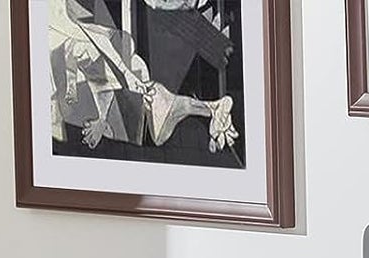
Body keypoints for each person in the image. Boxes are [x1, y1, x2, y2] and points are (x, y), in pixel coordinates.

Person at [48, 0, 237, 154]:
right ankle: (211, 109)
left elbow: (99, 50)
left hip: (120, 53)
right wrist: (102, 118)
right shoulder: (67, 52)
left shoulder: (63, 27)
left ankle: (210, 109)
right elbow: (99, 78)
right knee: (158, 130)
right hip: (117, 62)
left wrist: (125, 74)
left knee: (158, 123)